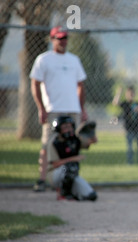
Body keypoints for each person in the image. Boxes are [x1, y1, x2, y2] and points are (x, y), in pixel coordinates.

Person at [30, 26, 88, 192]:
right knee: (48, 144)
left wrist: (82, 108)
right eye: (59, 38)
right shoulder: (44, 59)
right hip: (53, 109)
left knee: (73, 144)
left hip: (73, 109)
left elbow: (80, 85)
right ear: (52, 39)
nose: (63, 41)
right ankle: (42, 179)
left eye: (65, 38)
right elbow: (35, 83)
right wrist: (41, 108)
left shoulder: (74, 60)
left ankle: (71, 180)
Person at [47, 115, 97, 201]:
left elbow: (92, 141)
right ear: (58, 128)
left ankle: (71, 193)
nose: (69, 129)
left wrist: (91, 133)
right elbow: (55, 164)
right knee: (70, 166)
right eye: (65, 127)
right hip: (56, 175)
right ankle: (63, 195)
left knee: (91, 196)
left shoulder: (74, 139)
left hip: (71, 175)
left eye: (70, 126)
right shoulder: (54, 142)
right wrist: (73, 159)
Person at [113, 86, 138, 164]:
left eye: (132, 93)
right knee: (130, 147)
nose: (131, 95)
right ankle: (130, 162)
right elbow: (115, 103)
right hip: (129, 128)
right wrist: (118, 93)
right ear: (126, 94)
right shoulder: (125, 104)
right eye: (129, 94)